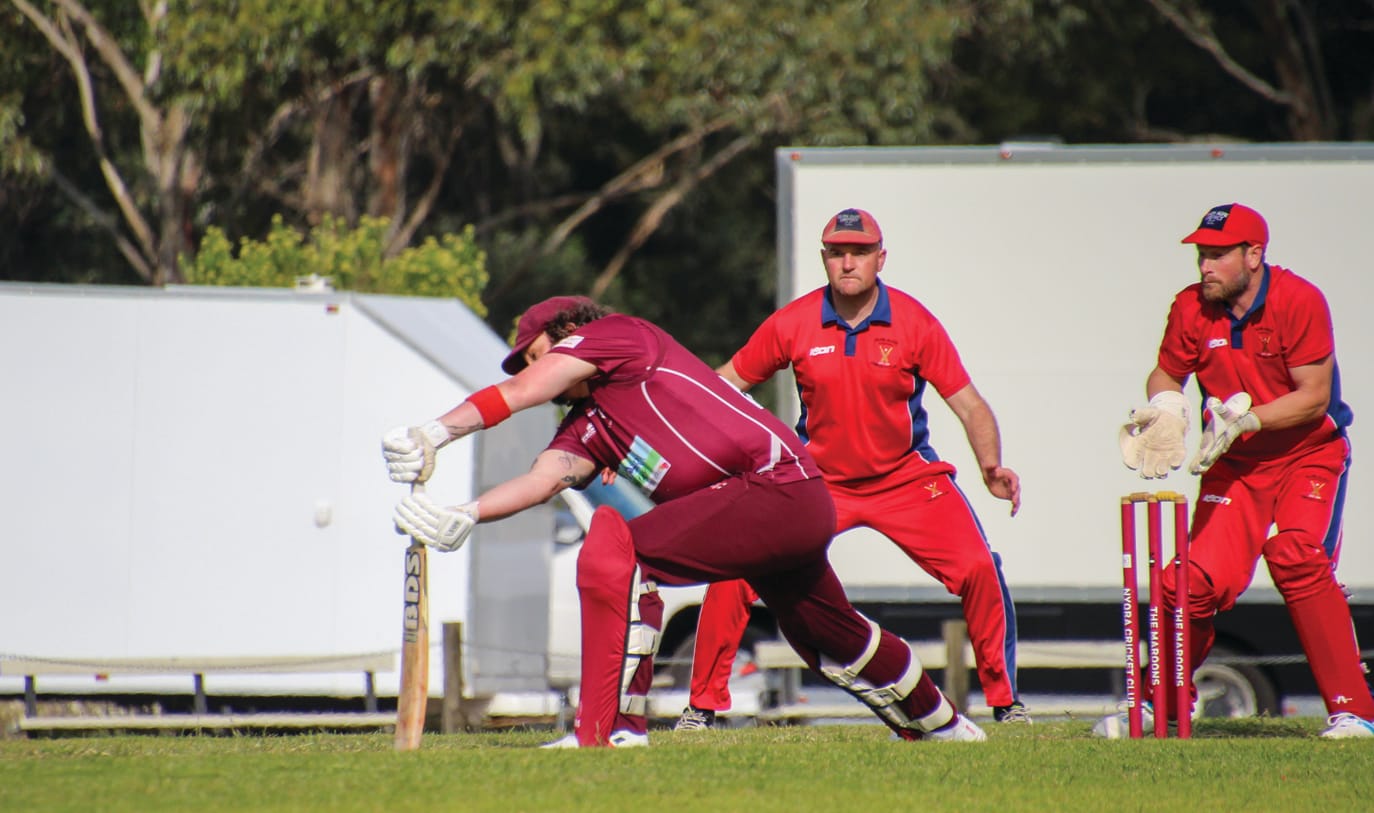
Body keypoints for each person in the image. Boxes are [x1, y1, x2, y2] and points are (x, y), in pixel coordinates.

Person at [381, 294, 988, 747]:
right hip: (778, 506)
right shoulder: (591, 423)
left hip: (775, 487)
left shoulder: (614, 336)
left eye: (532, 353)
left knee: (617, 548)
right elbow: (545, 479)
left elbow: (522, 393)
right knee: (829, 632)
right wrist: (465, 514)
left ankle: (610, 731)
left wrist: (437, 431)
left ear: (567, 333)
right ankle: (943, 725)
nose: (527, 367)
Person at [673, 207, 1027, 732]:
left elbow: (970, 404)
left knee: (980, 570)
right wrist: (655, 430)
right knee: (734, 574)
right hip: (815, 483)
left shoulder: (914, 321)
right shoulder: (794, 321)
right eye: (837, 253)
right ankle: (700, 710)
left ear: (880, 259)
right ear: (824, 260)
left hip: (906, 478)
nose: (847, 263)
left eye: (859, 253)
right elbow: (722, 386)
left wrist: (991, 465)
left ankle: (1006, 704)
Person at [1107, 202, 1374, 739]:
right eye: (1202, 254)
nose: (1205, 266)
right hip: (1236, 466)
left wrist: (1247, 420)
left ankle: (1355, 712)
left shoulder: (1299, 300)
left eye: (1218, 255)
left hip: (1308, 453)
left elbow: (1314, 399)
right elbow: (1167, 370)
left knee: (1297, 555)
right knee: (1188, 583)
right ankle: (1161, 709)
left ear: (1254, 255)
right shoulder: (1191, 307)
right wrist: (1168, 406)